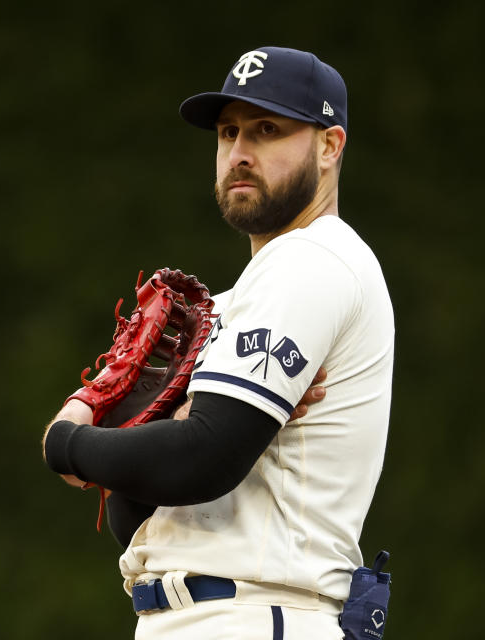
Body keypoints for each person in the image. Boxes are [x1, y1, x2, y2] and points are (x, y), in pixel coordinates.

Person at [43, 46, 395, 640]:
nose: (239, 153)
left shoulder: (314, 257)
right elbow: (142, 514)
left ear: (330, 146)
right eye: (228, 132)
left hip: (262, 614)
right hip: (191, 615)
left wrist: (69, 445)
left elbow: (203, 457)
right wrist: (163, 430)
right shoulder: (236, 303)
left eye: (267, 130)